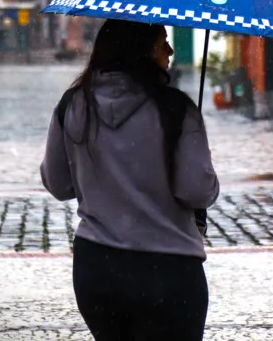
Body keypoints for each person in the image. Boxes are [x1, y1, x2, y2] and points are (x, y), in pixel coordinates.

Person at [40, 18, 219, 340]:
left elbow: (57, 183)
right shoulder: (175, 110)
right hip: (168, 269)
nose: (170, 49)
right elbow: (196, 190)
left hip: (98, 267)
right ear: (140, 49)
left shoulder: (73, 104)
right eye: (161, 41)